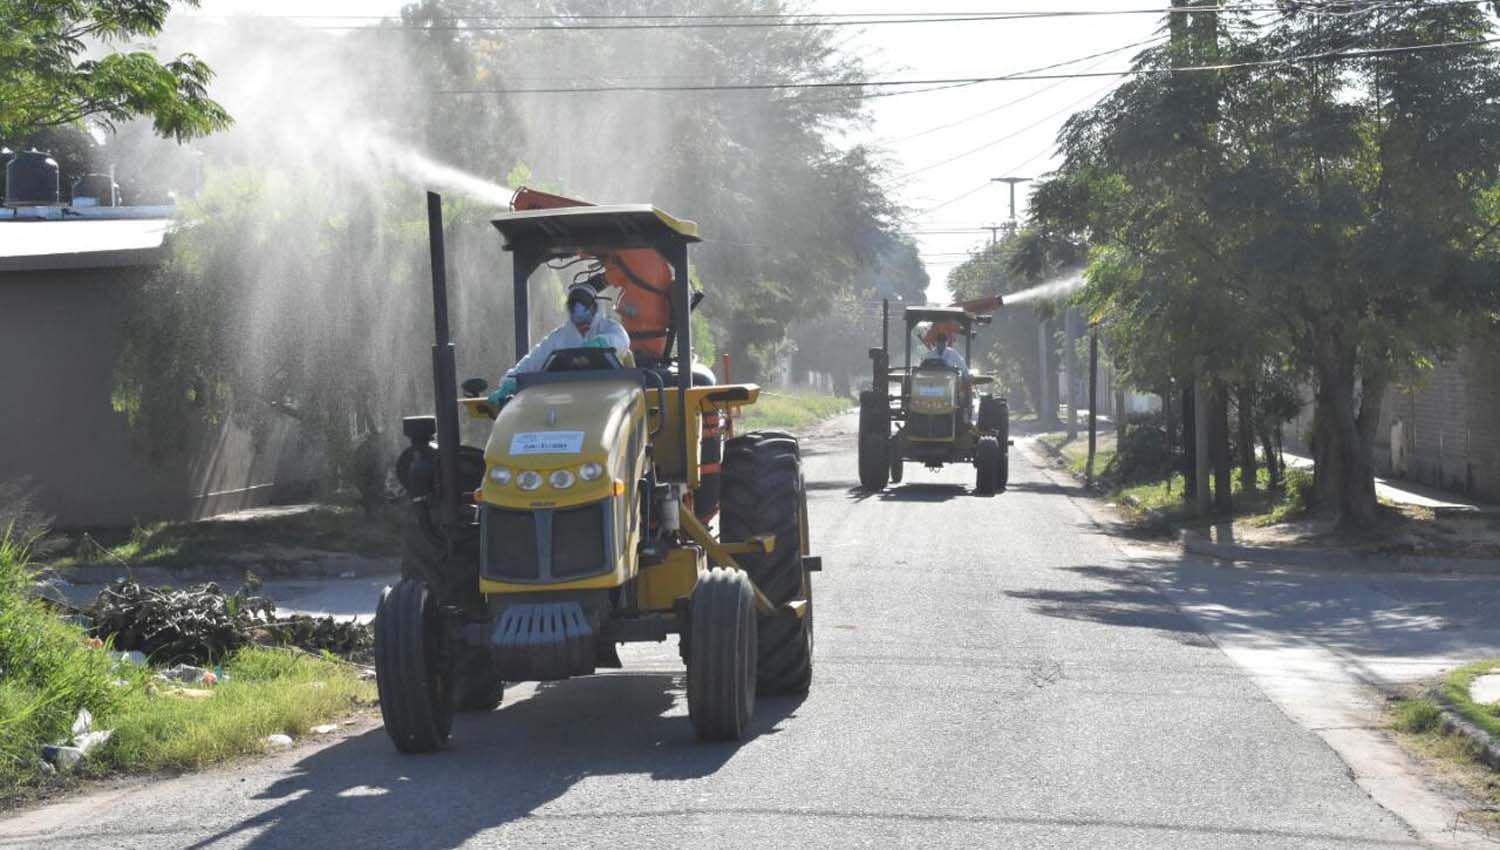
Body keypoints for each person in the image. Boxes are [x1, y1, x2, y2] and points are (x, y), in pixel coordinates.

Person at [487, 278, 632, 406]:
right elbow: (534, 360)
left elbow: (622, 340)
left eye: (583, 306)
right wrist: (510, 382)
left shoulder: (608, 328)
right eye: (574, 306)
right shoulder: (559, 337)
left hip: (609, 399)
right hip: (568, 402)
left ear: (594, 306)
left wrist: (602, 343)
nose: (578, 311)